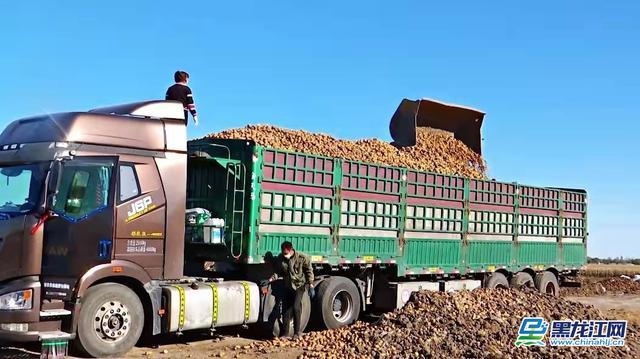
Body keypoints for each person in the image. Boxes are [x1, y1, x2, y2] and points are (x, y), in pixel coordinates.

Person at [269, 241, 314, 338]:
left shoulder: (302, 258)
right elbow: (279, 272)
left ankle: (297, 333)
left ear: (290, 250)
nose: (284, 255)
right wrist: (273, 277)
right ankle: (285, 334)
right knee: (286, 309)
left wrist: (311, 284)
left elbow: (309, 270)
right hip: (288, 285)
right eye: (283, 252)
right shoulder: (281, 258)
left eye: (286, 253)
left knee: (296, 307)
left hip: (299, 286)